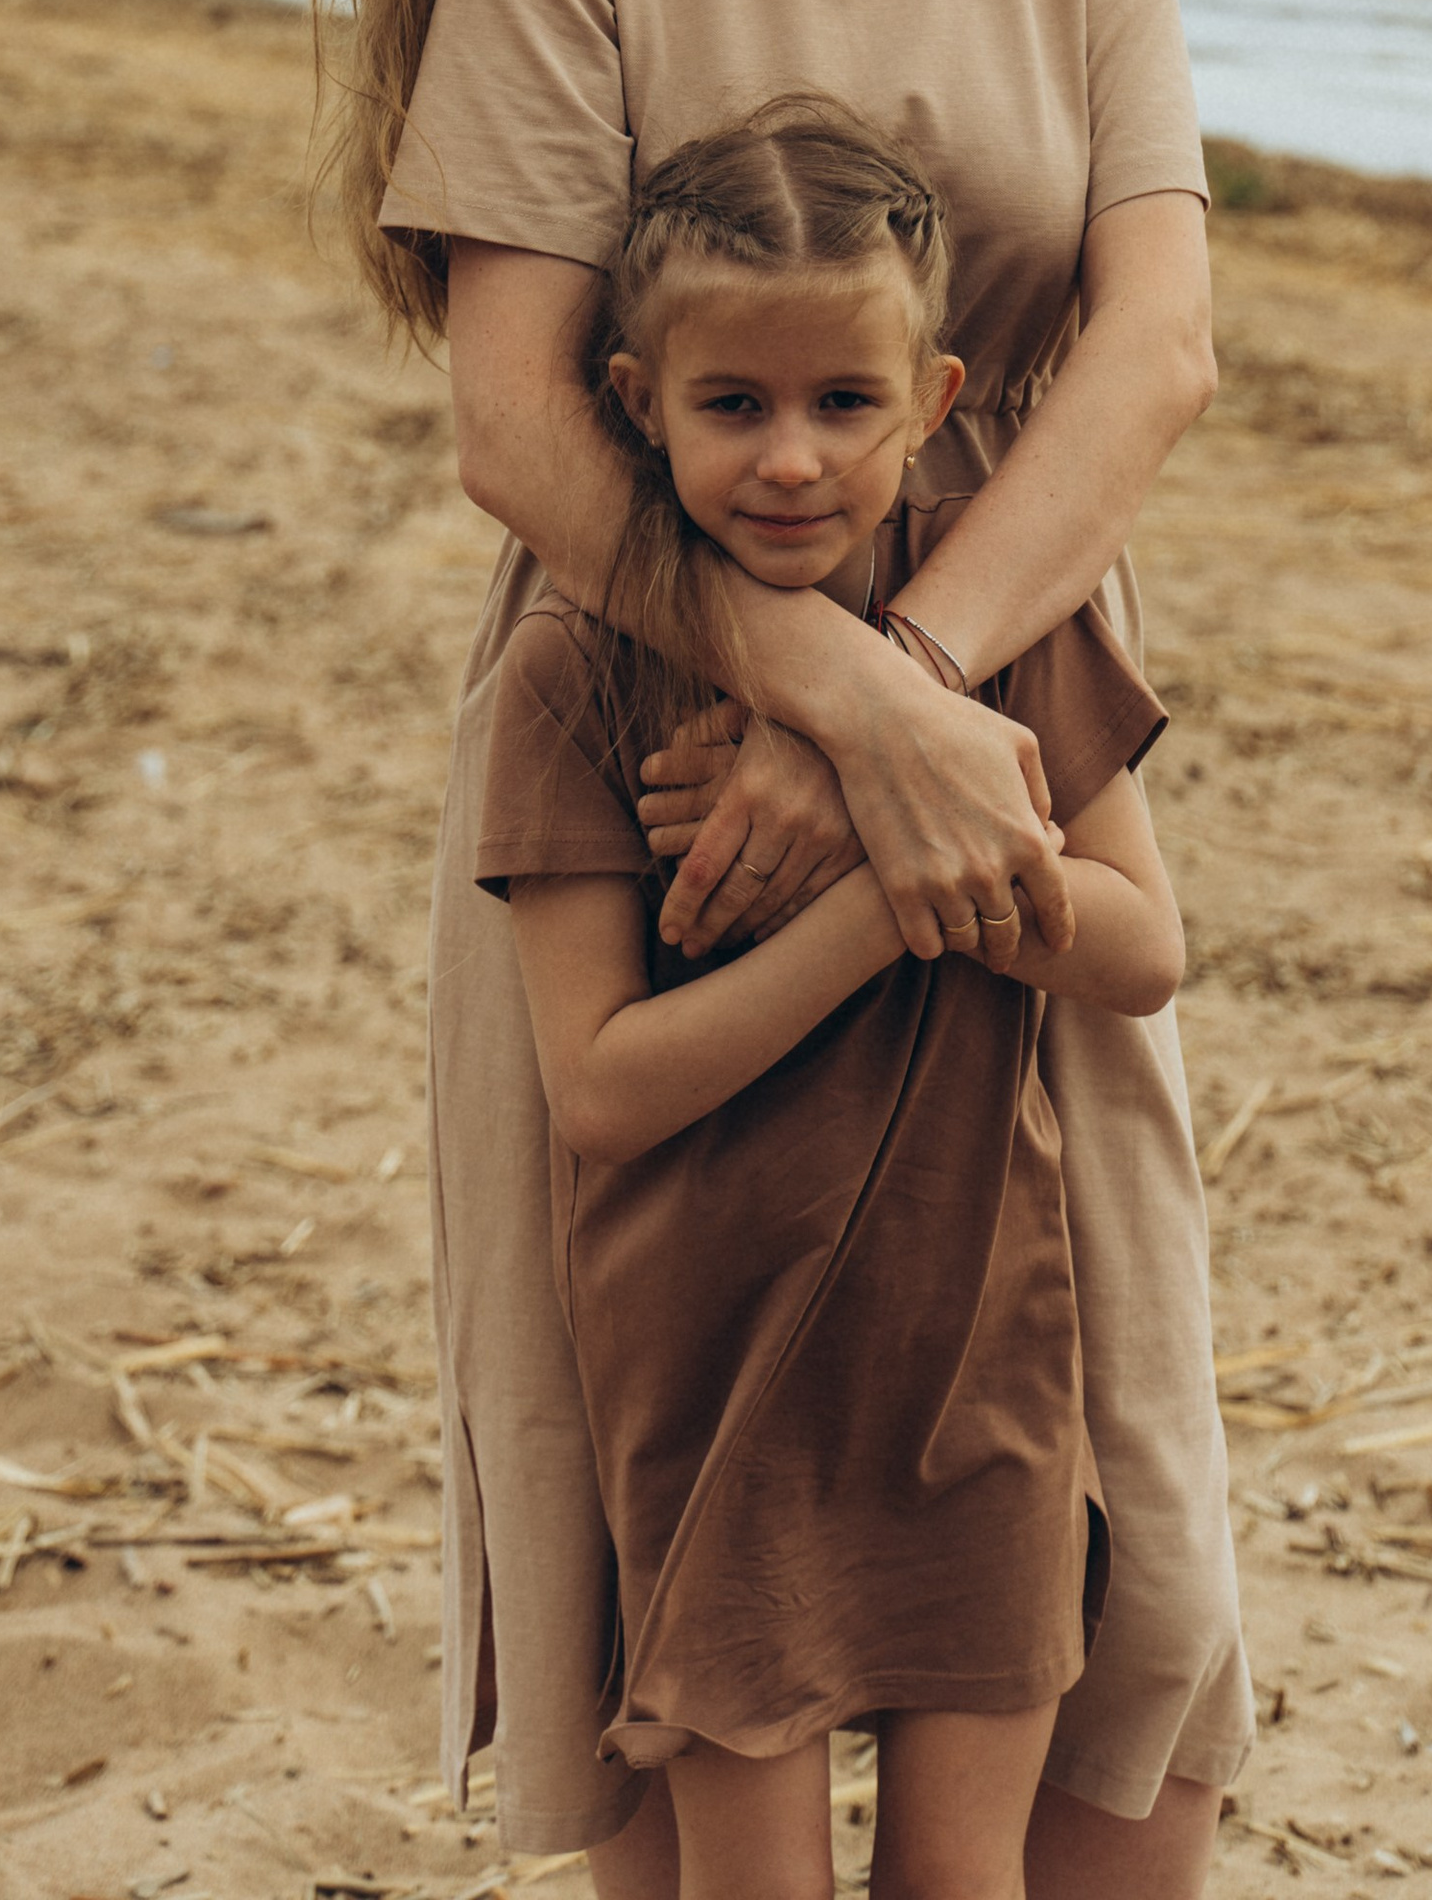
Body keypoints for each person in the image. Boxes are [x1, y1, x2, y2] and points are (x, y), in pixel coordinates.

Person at [324, 0, 1250, 1894]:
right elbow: (517, 419)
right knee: (664, 1568)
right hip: (648, 748)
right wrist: (828, 716)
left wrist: (921, 718)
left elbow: (1153, 353)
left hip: (1015, 762)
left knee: (1120, 1557)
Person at [482, 99, 1184, 1900]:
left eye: (844, 405)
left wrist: (913, 791)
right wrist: (894, 894)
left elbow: (1140, 947)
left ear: (938, 402)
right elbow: (606, 1090)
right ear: (636, 404)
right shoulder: (577, 670)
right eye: (734, 407)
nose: (791, 462)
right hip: (717, 1381)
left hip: (979, 1359)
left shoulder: (1010, 630)